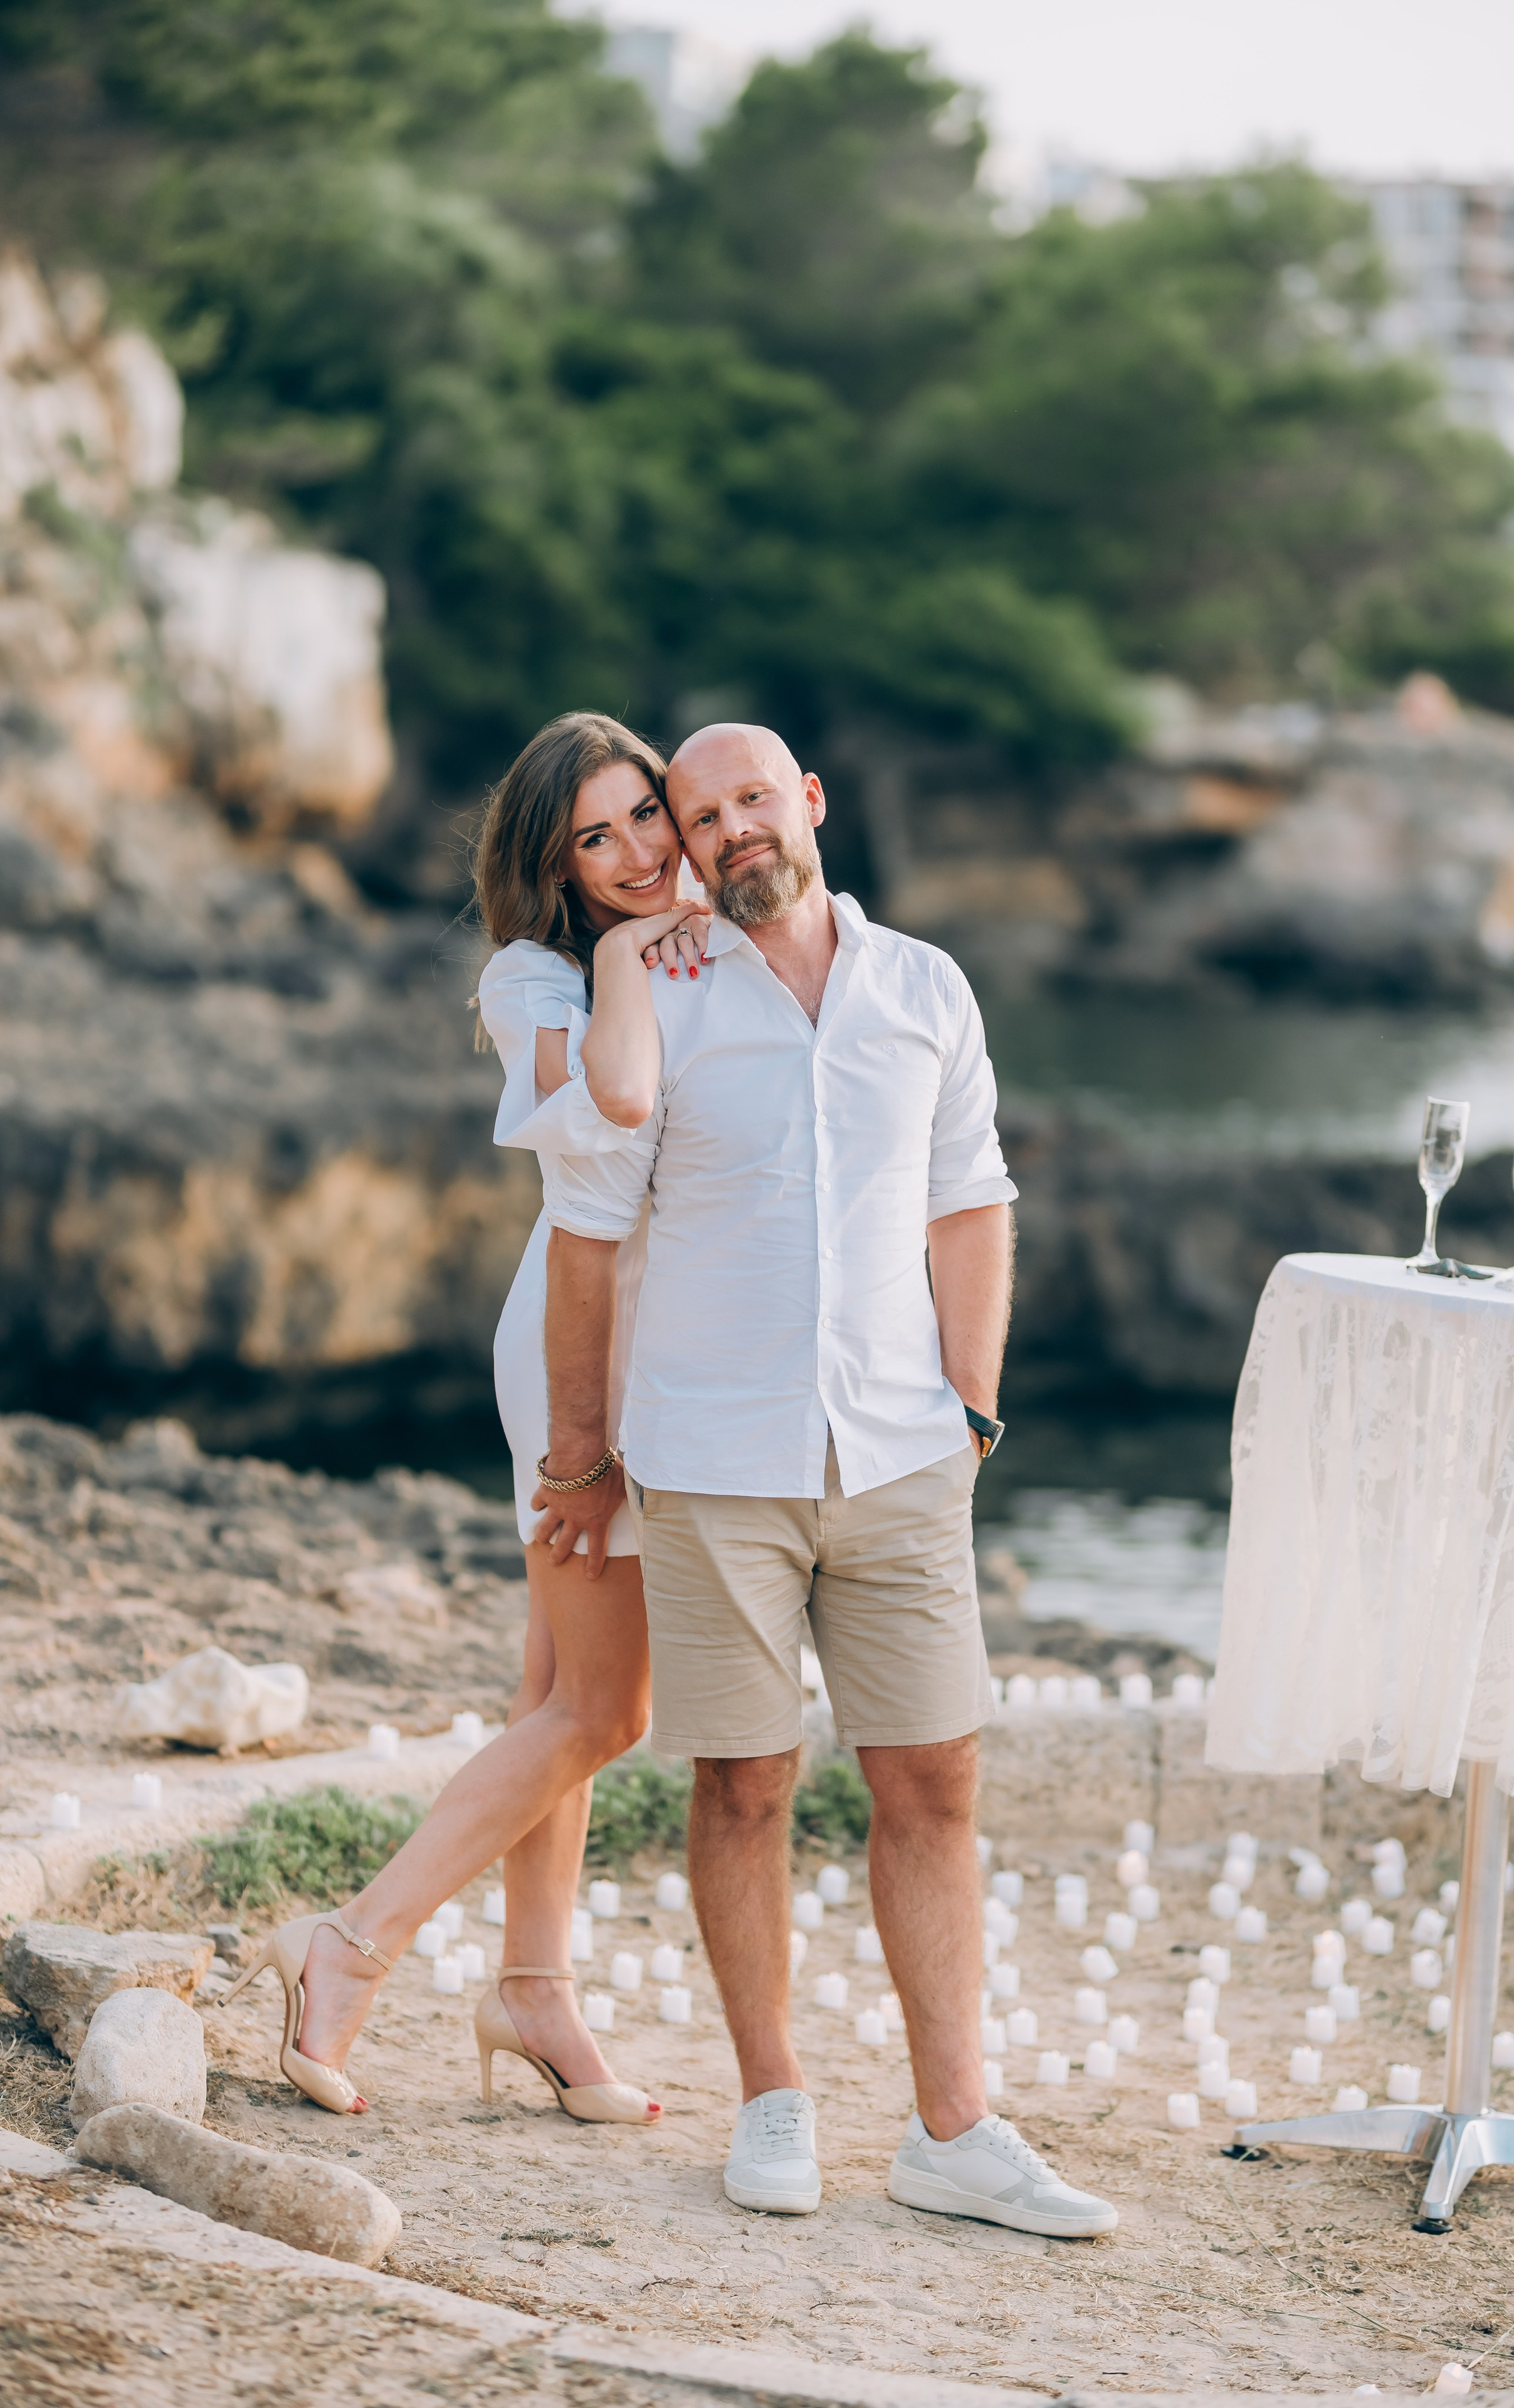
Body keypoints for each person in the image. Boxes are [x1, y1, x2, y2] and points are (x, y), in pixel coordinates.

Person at [534, 722, 1119, 2237]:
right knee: (740, 1786)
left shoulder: (922, 986)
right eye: (694, 814)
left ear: (805, 805)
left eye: (749, 801)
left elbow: (972, 1198)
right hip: (712, 1461)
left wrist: (973, 1411)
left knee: (933, 1782)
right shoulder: (660, 996)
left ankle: (952, 2127)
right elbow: (586, 1252)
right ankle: (773, 2102)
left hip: (903, 1458)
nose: (727, 831)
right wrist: (582, 1458)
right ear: (681, 838)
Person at [221, 711, 708, 2123]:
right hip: (583, 1355)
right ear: (550, 865)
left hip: (677, 1342)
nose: (628, 854)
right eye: (591, 839)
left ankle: (534, 1990)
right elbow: (607, 1105)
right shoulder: (530, 979)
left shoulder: (714, 945)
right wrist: (624, 951)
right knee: (607, 1711)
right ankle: (351, 1944)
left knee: (555, 1696)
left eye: (642, 819)